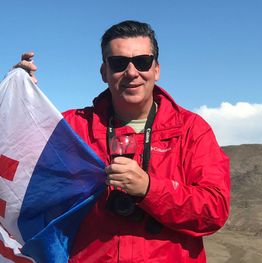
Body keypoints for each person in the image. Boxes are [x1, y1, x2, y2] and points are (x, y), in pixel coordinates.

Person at [14, 20, 230, 262]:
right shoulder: (71, 128)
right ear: (104, 72)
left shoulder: (191, 130)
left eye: (142, 62)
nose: (131, 72)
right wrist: (19, 100)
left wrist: (150, 189)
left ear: (156, 69)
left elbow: (214, 211)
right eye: (118, 63)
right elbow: (17, 167)